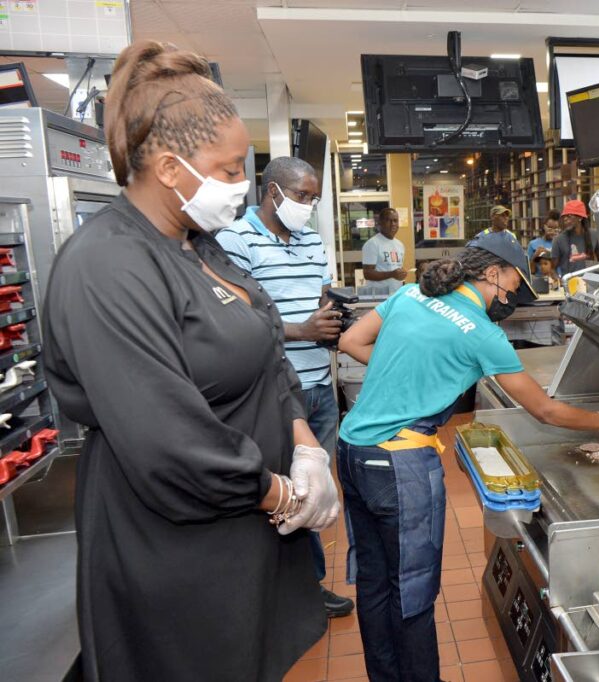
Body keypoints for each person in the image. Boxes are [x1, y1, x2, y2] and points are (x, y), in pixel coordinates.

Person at [41, 41, 339, 681]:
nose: (239, 186)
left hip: (244, 540)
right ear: (171, 169)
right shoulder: (108, 266)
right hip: (176, 553)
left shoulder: (200, 246)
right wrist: (282, 493)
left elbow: (265, 353)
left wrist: (304, 443)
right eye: (229, 171)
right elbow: (167, 440)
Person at [335, 232, 599, 682]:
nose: (512, 296)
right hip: (401, 464)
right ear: (492, 273)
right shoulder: (482, 333)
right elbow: (545, 410)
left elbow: (352, 341)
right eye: (513, 283)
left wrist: (408, 377)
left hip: (353, 453)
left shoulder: (412, 294)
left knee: (376, 585)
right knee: (411, 593)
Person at [216, 156, 354, 619]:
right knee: (280, 495)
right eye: (301, 196)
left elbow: (320, 296)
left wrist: (332, 320)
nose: (309, 206)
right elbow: (234, 322)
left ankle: (305, 587)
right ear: (271, 190)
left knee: (313, 494)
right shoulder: (233, 241)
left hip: (319, 384)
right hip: (273, 391)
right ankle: (284, 593)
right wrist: (301, 331)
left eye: (314, 198)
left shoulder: (313, 239)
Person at [362, 207, 407, 295]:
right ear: (380, 223)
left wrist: (401, 275)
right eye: (388, 220)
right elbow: (367, 274)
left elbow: (397, 269)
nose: (393, 224)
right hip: (378, 296)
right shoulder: (372, 244)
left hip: (396, 295)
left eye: (395, 221)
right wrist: (392, 274)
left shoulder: (400, 245)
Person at [550, 199, 598, 276]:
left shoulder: (595, 235)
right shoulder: (558, 240)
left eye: (569, 216)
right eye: (564, 216)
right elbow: (552, 269)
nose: (565, 219)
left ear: (580, 218)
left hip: (590, 284)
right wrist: (561, 283)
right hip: (569, 285)